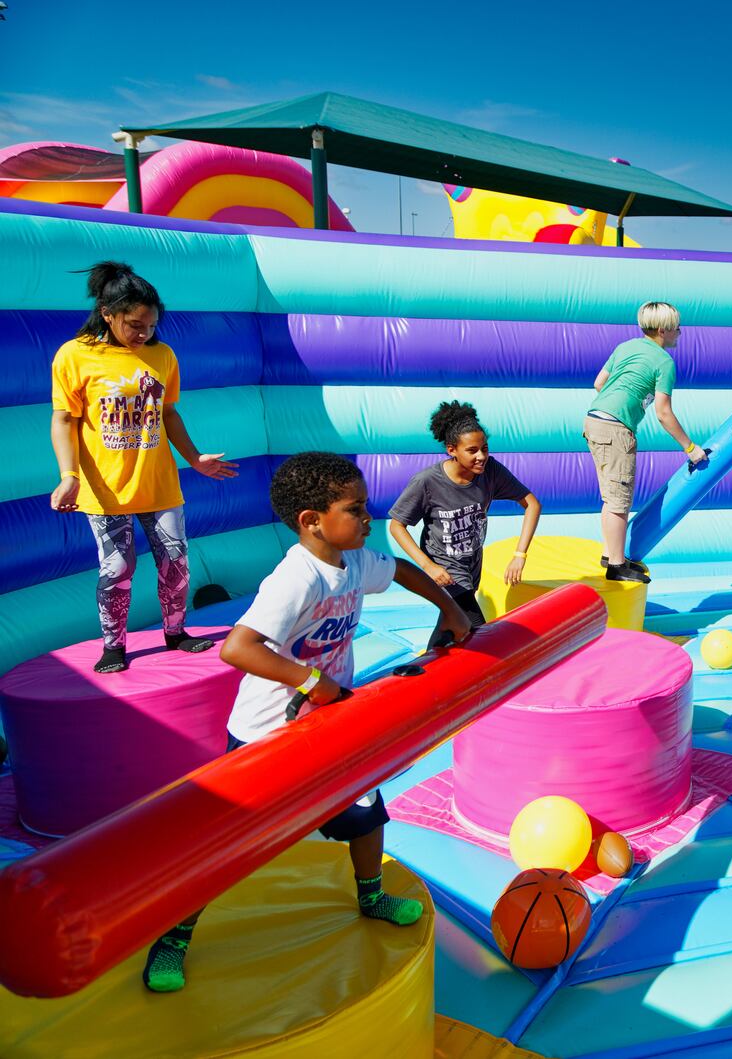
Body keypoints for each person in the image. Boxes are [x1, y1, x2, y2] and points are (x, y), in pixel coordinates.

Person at [140, 453, 471, 993]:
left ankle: (371, 896)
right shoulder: (296, 578)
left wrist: (451, 609)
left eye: (365, 507)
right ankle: (174, 935)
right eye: (355, 509)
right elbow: (237, 648)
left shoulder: (356, 559)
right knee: (225, 843)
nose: (368, 518)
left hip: (331, 722)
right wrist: (311, 682)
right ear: (312, 521)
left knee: (365, 815)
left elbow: (404, 569)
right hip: (267, 731)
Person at [49, 261, 238, 675]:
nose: (144, 333)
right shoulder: (76, 355)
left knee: (176, 561)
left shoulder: (161, 355)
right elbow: (64, 419)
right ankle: (114, 645)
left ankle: (176, 631)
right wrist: (69, 476)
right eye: (135, 324)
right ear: (107, 313)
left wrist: (194, 458)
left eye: (150, 326)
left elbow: (168, 413)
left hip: (158, 482)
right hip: (106, 489)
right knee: (118, 568)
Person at [388, 401, 541, 644]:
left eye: (485, 448)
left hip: (471, 562)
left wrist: (519, 555)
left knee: (452, 623)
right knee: (478, 629)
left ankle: (428, 670)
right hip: (444, 566)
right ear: (452, 450)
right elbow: (396, 525)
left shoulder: (490, 471)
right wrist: (428, 566)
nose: (481, 456)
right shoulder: (428, 482)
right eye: (472, 451)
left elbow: (532, 504)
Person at [585, 302, 705, 583]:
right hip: (615, 427)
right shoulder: (664, 362)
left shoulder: (626, 347)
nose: (680, 332)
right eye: (677, 327)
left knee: (612, 493)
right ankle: (616, 566)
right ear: (663, 330)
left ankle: (610, 553)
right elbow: (664, 413)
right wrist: (690, 447)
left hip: (594, 419)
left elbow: (599, 383)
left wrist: (626, 399)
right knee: (618, 498)